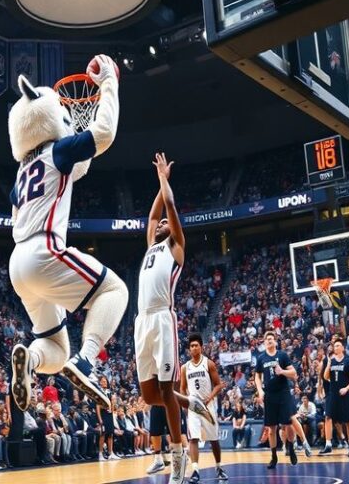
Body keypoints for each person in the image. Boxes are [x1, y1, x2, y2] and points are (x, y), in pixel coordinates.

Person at [8, 57, 128, 412]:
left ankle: (29, 359)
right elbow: (104, 136)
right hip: (44, 251)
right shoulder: (57, 151)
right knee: (115, 290)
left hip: (17, 264)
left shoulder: (22, 172)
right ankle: (88, 360)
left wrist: (79, 129)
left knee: (55, 353)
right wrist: (108, 84)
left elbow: (77, 170)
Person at [134, 153, 212, 484]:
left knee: (165, 391)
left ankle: (177, 455)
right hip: (142, 321)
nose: (162, 224)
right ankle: (191, 403)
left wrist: (165, 180)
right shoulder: (152, 244)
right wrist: (158, 184)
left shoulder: (176, 246)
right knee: (151, 396)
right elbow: (154, 214)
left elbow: (168, 209)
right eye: (161, 224)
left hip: (164, 320)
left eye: (167, 223)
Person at [180, 333, 227, 483]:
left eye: (196, 345)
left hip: (208, 406)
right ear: (189, 349)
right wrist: (186, 403)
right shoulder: (184, 368)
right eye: (191, 346)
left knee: (214, 439)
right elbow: (182, 389)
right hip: (194, 407)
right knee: (193, 438)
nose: (194, 348)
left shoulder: (209, 364)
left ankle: (219, 467)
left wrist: (210, 396)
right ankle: (195, 470)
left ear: (201, 347)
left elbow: (219, 384)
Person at [255, 330, 298, 469]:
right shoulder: (261, 358)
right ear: (264, 342)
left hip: (283, 393)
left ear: (275, 341)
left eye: (271, 338)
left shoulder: (283, 355)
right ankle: (274, 456)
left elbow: (294, 374)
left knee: (288, 424)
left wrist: (282, 372)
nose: (269, 340)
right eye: (267, 339)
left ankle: (290, 447)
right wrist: (260, 390)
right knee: (272, 428)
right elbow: (257, 376)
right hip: (269, 395)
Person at [322, 337, 349, 457]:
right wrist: (329, 364)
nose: (335, 348)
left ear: (342, 348)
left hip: (344, 394)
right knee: (328, 418)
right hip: (332, 393)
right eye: (334, 346)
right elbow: (325, 377)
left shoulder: (347, 361)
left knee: (347, 421)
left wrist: (346, 388)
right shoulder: (331, 360)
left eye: (337, 346)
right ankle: (328, 445)